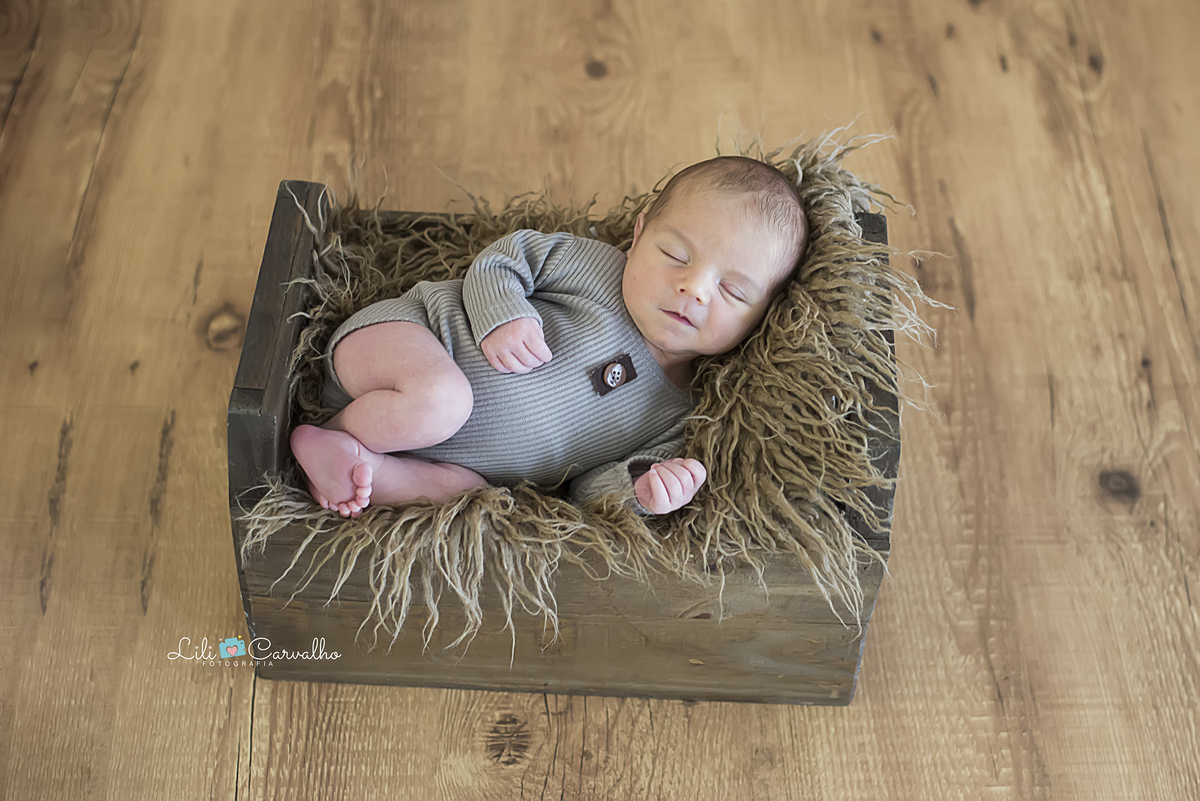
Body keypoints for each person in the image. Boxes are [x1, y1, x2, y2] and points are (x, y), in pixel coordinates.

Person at [290, 155, 808, 518]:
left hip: (432, 456)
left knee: (470, 496)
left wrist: (642, 491)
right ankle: (333, 432)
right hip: (403, 343)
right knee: (440, 401)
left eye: (733, 292)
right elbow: (506, 257)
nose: (692, 288)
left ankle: (359, 467)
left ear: (763, 315)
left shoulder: (675, 413)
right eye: (675, 255)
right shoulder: (596, 268)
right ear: (639, 233)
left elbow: (588, 492)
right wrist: (503, 313)